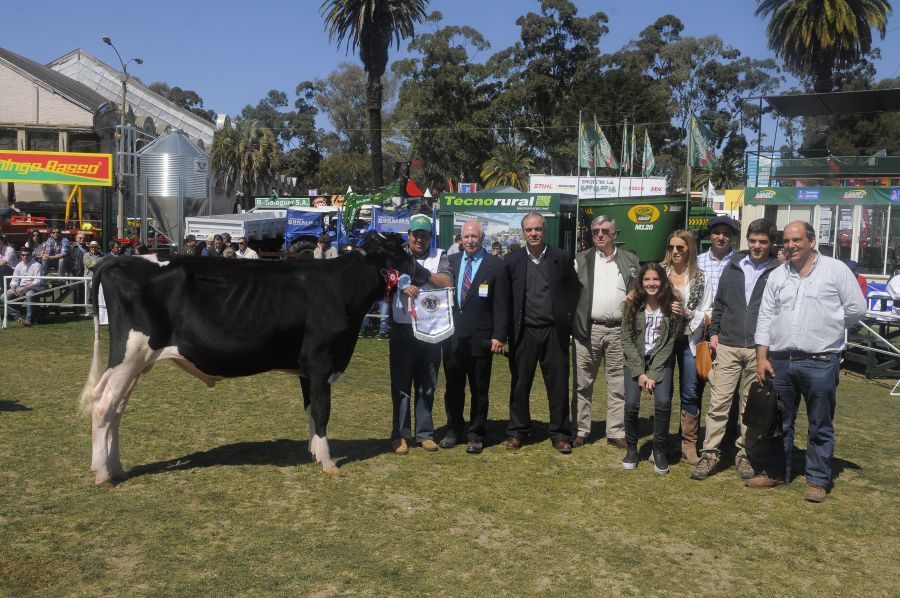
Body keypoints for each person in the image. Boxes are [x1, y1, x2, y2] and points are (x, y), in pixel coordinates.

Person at [752, 221, 866, 503]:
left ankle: (817, 479)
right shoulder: (778, 275)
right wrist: (761, 357)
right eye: (787, 241)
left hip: (821, 361)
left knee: (820, 423)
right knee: (778, 422)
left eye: (796, 240)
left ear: (812, 241)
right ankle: (777, 472)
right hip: (781, 361)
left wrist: (830, 325)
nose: (790, 245)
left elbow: (857, 308)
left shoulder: (835, 270)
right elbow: (765, 317)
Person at [691, 219, 780, 481]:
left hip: (758, 348)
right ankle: (710, 453)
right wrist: (715, 331)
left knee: (750, 408)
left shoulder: (778, 271)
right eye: (753, 241)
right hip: (728, 344)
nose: (757, 246)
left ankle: (745, 455)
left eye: (762, 242)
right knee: (719, 403)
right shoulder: (734, 266)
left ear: (770, 243)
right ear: (747, 241)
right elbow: (719, 304)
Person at [504, 212, 579, 454]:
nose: (533, 234)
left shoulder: (561, 257)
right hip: (523, 332)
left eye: (538, 229)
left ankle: (560, 434)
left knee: (557, 385)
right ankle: (517, 431)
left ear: (544, 231)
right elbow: (505, 298)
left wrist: (566, 320)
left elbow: (574, 291)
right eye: (529, 230)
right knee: (519, 384)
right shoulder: (512, 260)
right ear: (523, 232)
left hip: (553, 333)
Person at [441, 219, 509, 454]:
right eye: (466, 236)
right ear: (460, 239)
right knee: (453, 388)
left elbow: (502, 305)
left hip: (481, 340)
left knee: (479, 390)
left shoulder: (496, 266)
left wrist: (499, 336)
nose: (470, 241)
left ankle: (476, 434)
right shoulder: (450, 262)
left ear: (482, 239)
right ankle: (453, 430)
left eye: (475, 237)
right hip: (452, 339)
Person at [571, 215, 639, 449]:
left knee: (618, 383)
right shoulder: (581, 259)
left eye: (605, 231)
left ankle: (616, 431)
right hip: (588, 330)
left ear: (615, 234)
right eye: (596, 231)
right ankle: (580, 429)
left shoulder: (630, 260)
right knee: (582, 383)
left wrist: (635, 295)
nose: (600, 235)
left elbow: (639, 289)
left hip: (619, 331)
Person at [388, 214, 453, 455]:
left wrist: (423, 275)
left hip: (431, 330)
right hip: (402, 328)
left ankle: (425, 433)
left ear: (430, 237)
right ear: (409, 235)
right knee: (401, 385)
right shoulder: (396, 257)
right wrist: (402, 285)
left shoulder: (440, 255)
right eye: (416, 234)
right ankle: (400, 435)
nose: (419, 239)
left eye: (424, 235)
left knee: (427, 384)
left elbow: (447, 280)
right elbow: (387, 279)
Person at [620, 263, 678, 472]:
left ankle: (659, 450)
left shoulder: (672, 306)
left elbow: (669, 342)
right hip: (635, 361)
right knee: (631, 405)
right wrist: (640, 373)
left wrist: (652, 374)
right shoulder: (632, 304)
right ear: (641, 282)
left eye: (656, 279)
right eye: (647, 279)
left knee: (662, 402)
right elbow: (626, 339)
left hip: (660, 361)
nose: (651, 283)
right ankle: (632, 449)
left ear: (662, 281)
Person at [661, 230, 712, 464]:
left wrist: (689, 312)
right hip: (664, 340)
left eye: (680, 247)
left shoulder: (701, 277)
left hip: (691, 341)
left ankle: (689, 444)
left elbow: (711, 313)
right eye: (672, 247)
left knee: (691, 391)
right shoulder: (661, 273)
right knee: (664, 392)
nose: (675, 252)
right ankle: (662, 442)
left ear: (689, 249)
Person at [3, 245, 45, 326]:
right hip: (21, 287)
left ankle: (29, 320)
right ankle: (18, 316)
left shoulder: (37, 265)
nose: (25, 256)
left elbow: (38, 281)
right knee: (3, 297)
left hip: (36, 287)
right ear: (20, 255)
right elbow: (14, 280)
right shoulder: (19, 265)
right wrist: (13, 287)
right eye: (23, 255)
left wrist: (24, 288)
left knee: (29, 294)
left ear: (31, 255)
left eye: (27, 255)